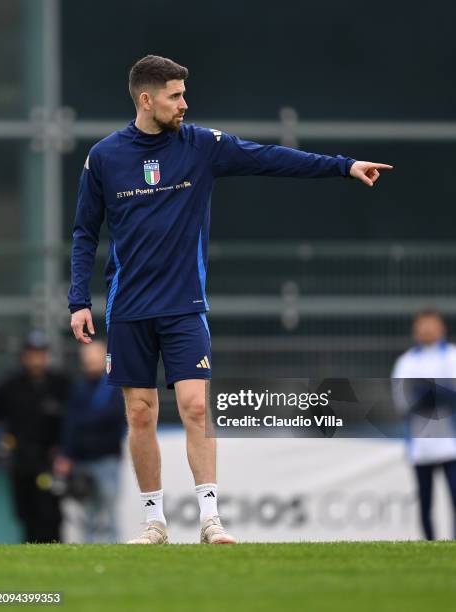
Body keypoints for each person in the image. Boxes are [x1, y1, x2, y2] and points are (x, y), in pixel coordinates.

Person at [68, 54, 393, 544]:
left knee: (197, 406)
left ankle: (209, 518)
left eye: (183, 94)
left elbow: (271, 158)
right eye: (174, 95)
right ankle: (154, 521)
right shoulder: (105, 157)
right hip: (129, 306)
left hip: (184, 305)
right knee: (140, 413)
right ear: (145, 99)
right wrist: (78, 299)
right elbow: (83, 233)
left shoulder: (201, 145)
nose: (184, 103)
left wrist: (344, 166)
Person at [0, 331, 70, 543]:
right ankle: (31, 549)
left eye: (40, 353)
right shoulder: (10, 385)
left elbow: (71, 422)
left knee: (50, 512)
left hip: (50, 459)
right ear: (24, 356)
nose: (36, 358)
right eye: (32, 353)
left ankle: (55, 550)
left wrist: (66, 452)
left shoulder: (60, 384)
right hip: (20, 459)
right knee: (24, 511)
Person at [391, 309, 456, 540]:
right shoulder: (406, 362)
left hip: (451, 444)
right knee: (426, 501)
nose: (427, 329)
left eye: (432, 324)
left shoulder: (452, 356)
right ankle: (430, 543)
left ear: (441, 328)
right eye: (423, 325)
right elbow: (401, 402)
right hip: (421, 446)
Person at [54, 341, 126, 543]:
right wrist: (67, 454)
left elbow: (113, 417)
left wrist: (85, 421)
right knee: (87, 512)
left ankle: (114, 546)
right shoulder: (78, 388)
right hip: (82, 459)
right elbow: (70, 422)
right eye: (86, 356)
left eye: (94, 355)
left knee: (109, 509)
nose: (90, 360)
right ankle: (89, 547)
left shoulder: (114, 386)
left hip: (107, 458)